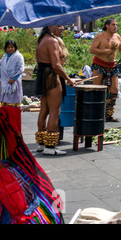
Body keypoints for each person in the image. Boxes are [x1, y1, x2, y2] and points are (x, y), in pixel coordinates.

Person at [35, 25, 75, 155]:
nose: (62, 27)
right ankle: (50, 147)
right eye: (58, 25)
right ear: (50, 26)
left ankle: (42, 144)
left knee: (44, 110)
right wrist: (69, 79)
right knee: (55, 111)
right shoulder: (52, 41)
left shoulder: (41, 40)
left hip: (43, 76)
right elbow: (56, 65)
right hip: (51, 77)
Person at [90, 18, 121, 122]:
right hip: (99, 65)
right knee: (98, 89)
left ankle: (109, 114)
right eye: (113, 25)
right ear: (107, 26)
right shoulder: (100, 37)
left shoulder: (117, 37)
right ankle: (96, 113)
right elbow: (92, 50)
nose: (115, 26)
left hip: (112, 66)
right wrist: (106, 51)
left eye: (116, 25)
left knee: (114, 90)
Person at [0, 40, 25, 106]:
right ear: (6, 48)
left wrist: (14, 78)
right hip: (5, 81)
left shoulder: (19, 56)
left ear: (15, 48)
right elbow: (1, 68)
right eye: (8, 47)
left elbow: (21, 69)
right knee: (5, 102)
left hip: (14, 81)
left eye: (12, 47)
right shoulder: (4, 56)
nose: (10, 49)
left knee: (13, 101)